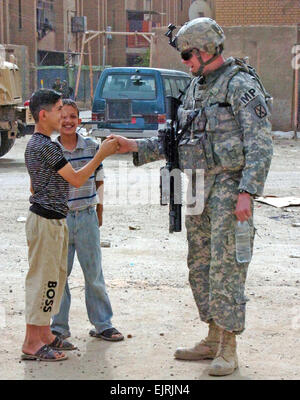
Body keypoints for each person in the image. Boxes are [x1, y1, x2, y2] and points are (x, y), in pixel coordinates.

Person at [110, 18, 273, 376]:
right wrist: (133, 147)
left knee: (227, 268)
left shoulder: (239, 85)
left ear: (205, 50)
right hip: (198, 186)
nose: (184, 61)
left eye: (187, 54)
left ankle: (229, 347)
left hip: (230, 186)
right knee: (200, 266)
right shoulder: (196, 89)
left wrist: (248, 191)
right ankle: (212, 337)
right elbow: (178, 142)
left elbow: (261, 144)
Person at [22, 89, 118, 362]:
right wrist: (101, 155)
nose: (63, 115)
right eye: (58, 110)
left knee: (54, 279)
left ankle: (45, 334)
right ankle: (32, 342)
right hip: (46, 222)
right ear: (44, 115)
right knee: (43, 282)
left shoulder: (41, 144)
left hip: (54, 220)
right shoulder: (44, 146)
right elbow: (76, 180)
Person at [50, 99, 124, 342]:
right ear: (55, 121)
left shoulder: (92, 147)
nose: (68, 121)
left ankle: (103, 324)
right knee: (60, 275)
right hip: (60, 221)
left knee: (94, 274)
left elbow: (99, 179)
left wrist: (99, 210)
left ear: (78, 121)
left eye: (72, 116)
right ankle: (59, 328)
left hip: (87, 217)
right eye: (63, 117)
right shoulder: (50, 150)